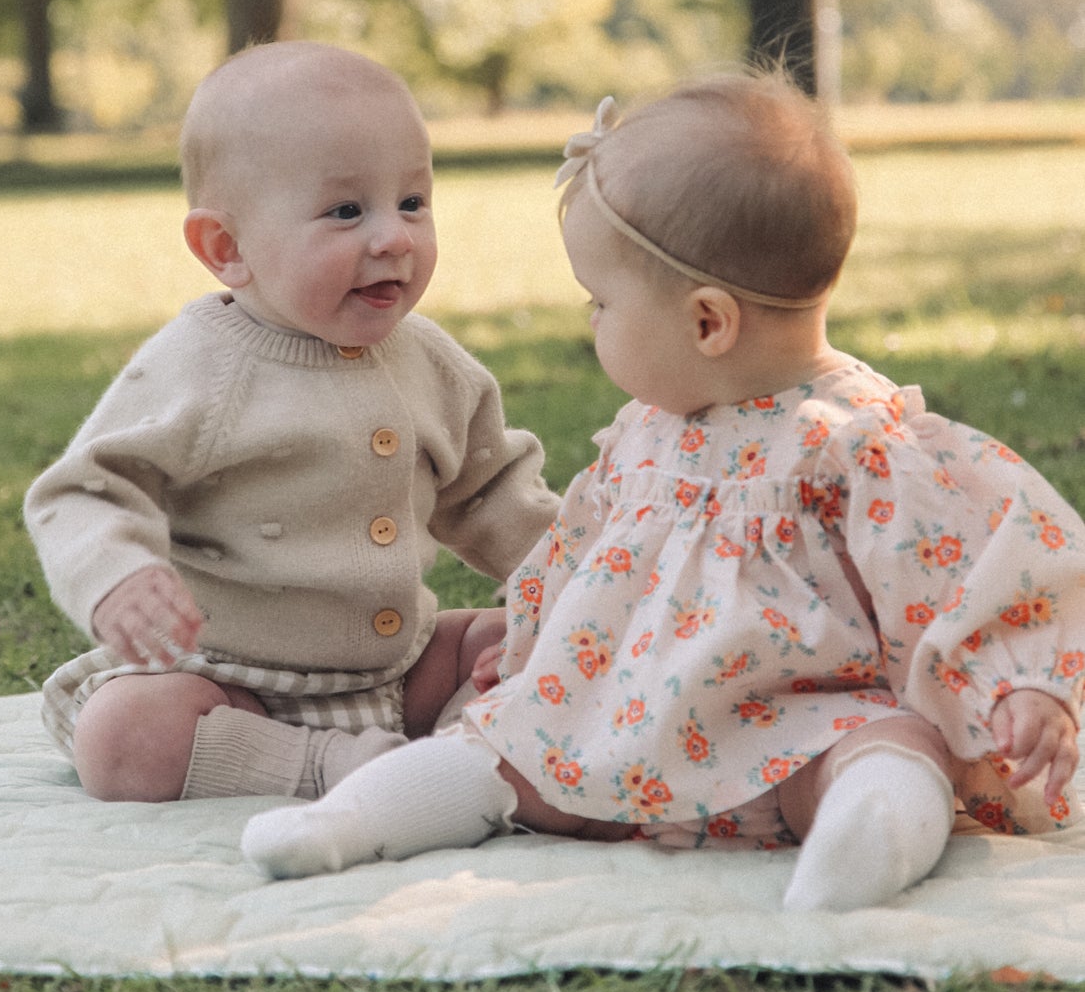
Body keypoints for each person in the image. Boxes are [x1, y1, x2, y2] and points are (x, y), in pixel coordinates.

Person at [242, 72, 1085, 912]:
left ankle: (865, 837)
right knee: (505, 747)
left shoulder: (857, 442)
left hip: (799, 727)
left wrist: (1023, 683)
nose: (591, 325)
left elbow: (998, 556)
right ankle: (351, 822)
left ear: (707, 322)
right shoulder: (645, 434)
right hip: (628, 724)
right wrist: (539, 645)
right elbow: (578, 555)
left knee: (890, 743)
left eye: (600, 303)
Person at [26, 43, 558, 806]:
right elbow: (81, 493)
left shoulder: (432, 365)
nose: (394, 237)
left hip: (399, 671)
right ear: (227, 248)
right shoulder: (200, 366)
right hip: (230, 683)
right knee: (123, 737)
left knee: (508, 648)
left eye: (412, 202)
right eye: (346, 211)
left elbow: (496, 498)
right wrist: (118, 576)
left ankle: (457, 758)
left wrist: (582, 585)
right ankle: (338, 772)